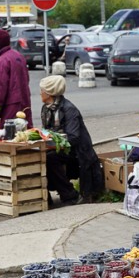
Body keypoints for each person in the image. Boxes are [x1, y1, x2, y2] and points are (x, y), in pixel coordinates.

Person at [39, 75, 104, 205]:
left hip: (77, 152)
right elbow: (47, 132)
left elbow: (73, 138)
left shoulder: (68, 109)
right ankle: (44, 198)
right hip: (61, 148)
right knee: (37, 156)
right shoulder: (46, 109)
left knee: (50, 158)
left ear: (50, 93)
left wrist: (51, 142)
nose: (40, 93)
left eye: (42, 90)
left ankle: (70, 195)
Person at [0, 28, 32, 127]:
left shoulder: (0, 62)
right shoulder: (18, 56)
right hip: (23, 104)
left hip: (9, 110)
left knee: (9, 137)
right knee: (22, 134)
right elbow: (26, 79)